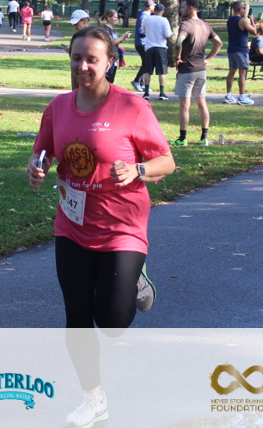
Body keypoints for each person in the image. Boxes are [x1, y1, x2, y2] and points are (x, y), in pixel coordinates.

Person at [26, 26, 175, 428]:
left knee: (111, 323)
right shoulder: (58, 107)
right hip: (72, 225)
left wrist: (138, 169)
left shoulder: (131, 106)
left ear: (110, 62)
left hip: (122, 227)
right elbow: (44, 152)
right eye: (77, 58)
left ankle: (135, 279)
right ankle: (93, 399)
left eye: (92, 59)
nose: (83, 66)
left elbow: (166, 162)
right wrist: (37, 167)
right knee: (77, 317)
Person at [173, 0, 222, 146]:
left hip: (187, 69)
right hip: (201, 69)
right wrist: (207, 59)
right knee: (202, 103)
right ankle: (204, 138)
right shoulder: (206, 25)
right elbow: (218, 43)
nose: (181, 10)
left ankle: (183, 138)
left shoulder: (186, 25)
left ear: (190, 8)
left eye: (183, 7)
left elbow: (178, 42)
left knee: (185, 105)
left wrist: (177, 58)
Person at [224, 0, 257, 105]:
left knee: (232, 72)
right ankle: (242, 97)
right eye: (243, 8)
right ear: (240, 9)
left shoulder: (230, 20)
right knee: (242, 73)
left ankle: (229, 95)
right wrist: (251, 20)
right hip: (241, 49)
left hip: (231, 48)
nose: (244, 10)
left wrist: (251, 22)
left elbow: (241, 29)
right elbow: (254, 32)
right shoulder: (242, 20)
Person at [140, 3, 172, 100]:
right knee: (162, 72)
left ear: (154, 10)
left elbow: (144, 31)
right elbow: (168, 35)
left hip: (149, 47)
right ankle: (162, 93)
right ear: (163, 12)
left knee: (147, 71)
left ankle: (146, 92)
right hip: (161, 47)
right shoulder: (164, 20)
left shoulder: (147, 19)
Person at [130, 0, 155, 92]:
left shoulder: (147, 15)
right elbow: (141, 30)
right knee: (147, 62)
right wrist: (151, 33)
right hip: (142, 43)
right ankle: (137, 81)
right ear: (149, 6)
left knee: (147, 63)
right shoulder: (143, 15)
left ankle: (142, 83)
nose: (154, 7)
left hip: (145, 43)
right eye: (153, 5)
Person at [101, 9, 131, 84]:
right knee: (107, 78)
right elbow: (110, 42)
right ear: (108, 17)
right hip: (108, 56)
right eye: (114, 17)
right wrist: (123, 36)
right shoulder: (105, 29)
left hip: (114, 56)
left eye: (117, 17)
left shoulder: (112, 29)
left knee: (111, 79)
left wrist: (123, 39)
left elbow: (116, 42)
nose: (116, 19)